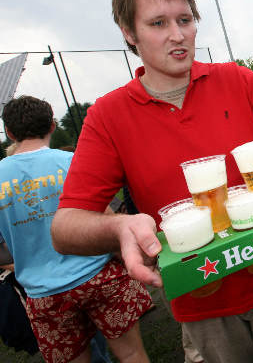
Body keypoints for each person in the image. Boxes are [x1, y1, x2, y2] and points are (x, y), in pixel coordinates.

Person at [51, 0, 253, 363]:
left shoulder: (235, 80)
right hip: (200, 298)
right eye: (158, 23)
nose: (177, 35)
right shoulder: (108, 115)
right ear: (129, 33)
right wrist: (120, 225)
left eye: (185, 20)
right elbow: (64, 227)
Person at [0, 96, 152, 363]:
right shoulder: (70, 161)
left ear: (9, 133)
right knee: (131, 354)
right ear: (52, 126)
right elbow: (105, 219)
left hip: (43, 291)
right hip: (98, 275)